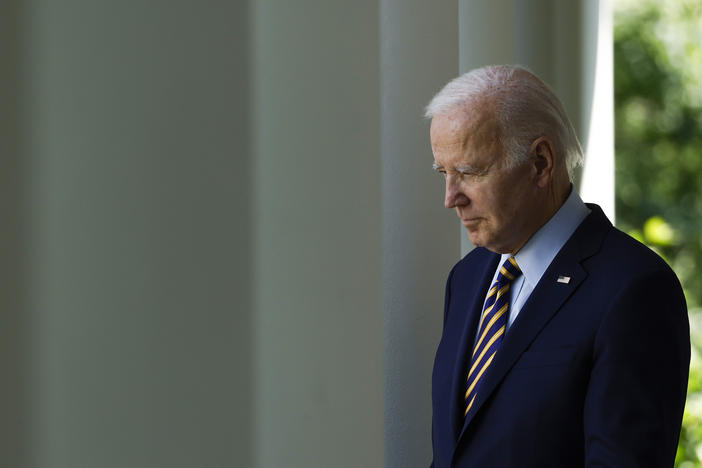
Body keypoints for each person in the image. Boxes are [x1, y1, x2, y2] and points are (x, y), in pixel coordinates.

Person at [425, 65, 689, 467]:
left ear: (541, 163)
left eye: (469, 172)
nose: (450, 198)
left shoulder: (635, 289)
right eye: (444, 173)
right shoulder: (466, 278)